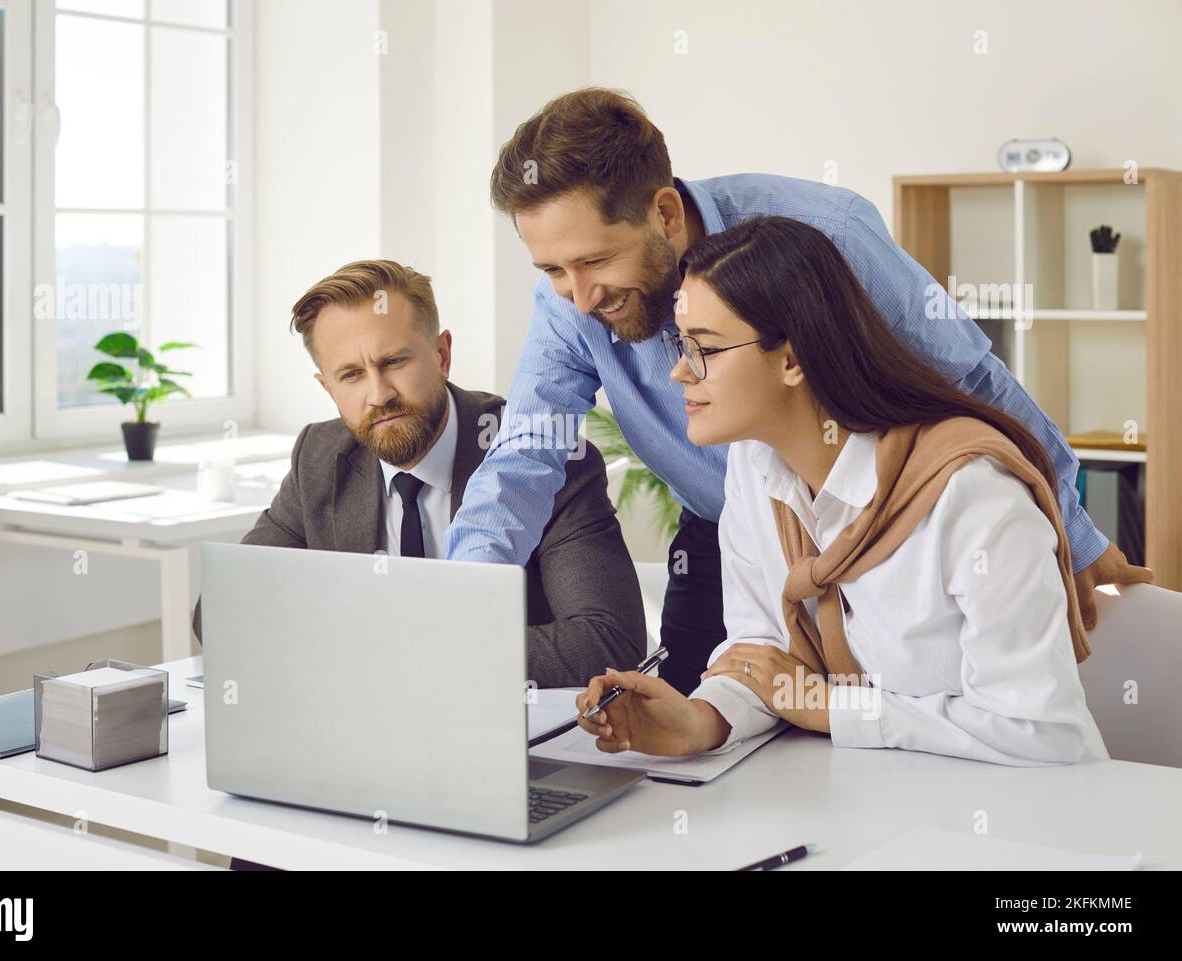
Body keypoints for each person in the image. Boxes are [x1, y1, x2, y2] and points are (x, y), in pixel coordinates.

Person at [444, 87, 1151, 697]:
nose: (578, 294)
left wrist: (1072, 527)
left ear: (663, 213)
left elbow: (967, 378)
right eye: (553, 270)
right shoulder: (570, 304)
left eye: (595, 260)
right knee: (702, 742)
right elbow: (525, 457)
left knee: (891, 730)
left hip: (876, 537)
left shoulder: (827, 233)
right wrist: (455, 608)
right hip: (727, 539)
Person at [575, 216, 1109, 767]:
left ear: (791, 359)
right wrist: (700, 721)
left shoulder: (971, 494)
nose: (680, 373)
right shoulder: (753, 465)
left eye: (705, 348)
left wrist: (833, 708)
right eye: (682, 346)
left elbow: (1043, 734)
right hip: (871, 803)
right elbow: (765, 659)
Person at [192, 259, 645, 689]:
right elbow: (220, 611)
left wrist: (399, 651)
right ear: (327, 389)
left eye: (393, 362)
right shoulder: (320, 457)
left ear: (442, 353)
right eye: (351, 375)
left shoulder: (540, 456)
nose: (379, 394)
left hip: (501, 732)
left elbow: (606, 643)